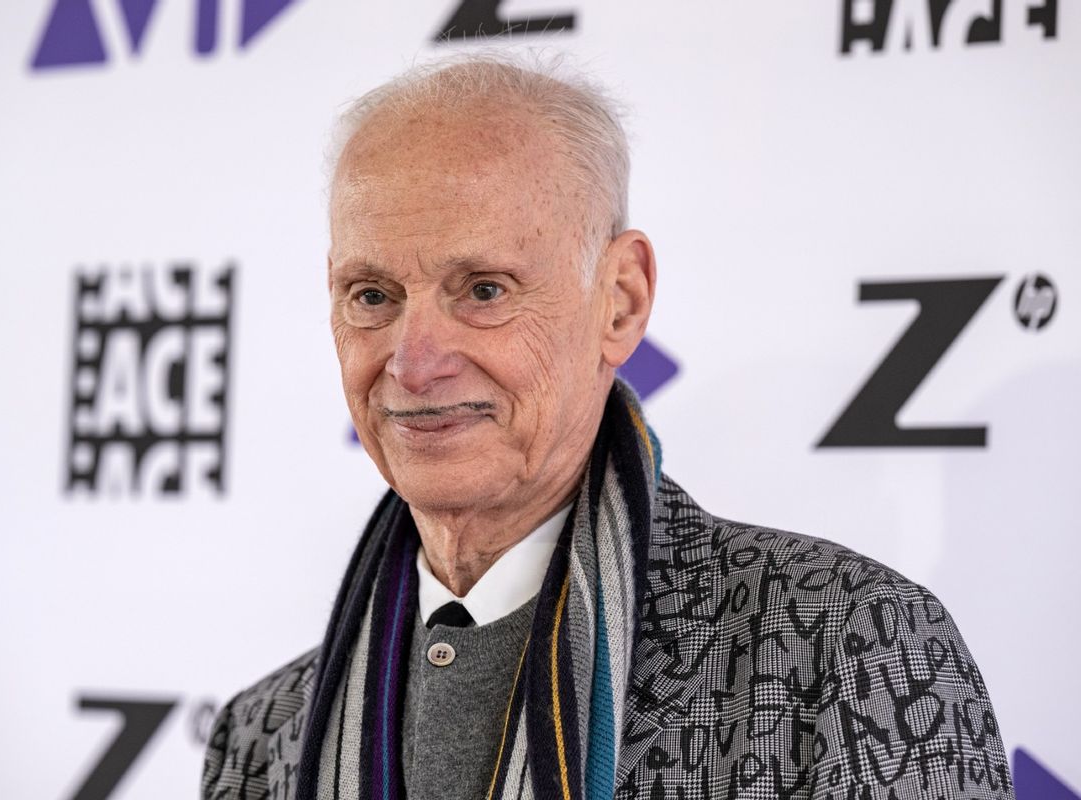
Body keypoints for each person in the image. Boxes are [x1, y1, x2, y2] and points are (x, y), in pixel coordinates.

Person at [202, 54, 1011, 800]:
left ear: (620, 301)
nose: (414, 364)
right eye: (372, 295)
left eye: (484, 290)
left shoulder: (842, 650)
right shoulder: (263, 736)